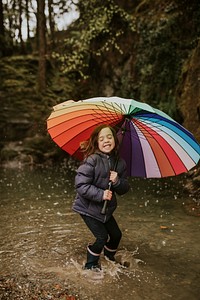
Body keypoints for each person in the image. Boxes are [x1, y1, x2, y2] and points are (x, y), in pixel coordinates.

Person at [72, 124, 130, 270]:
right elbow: (81, 185)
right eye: (101, 138)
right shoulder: (92, 160)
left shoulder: (120, 163)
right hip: (88, 208)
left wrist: (117, 181)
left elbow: (124, 189)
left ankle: (109, 258)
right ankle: (90, 265)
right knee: (102, 237)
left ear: (115, 141)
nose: (106, 140)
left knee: (116, 235)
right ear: (97, 143)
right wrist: (101, 194)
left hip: (106, 209)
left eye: (109, 137)